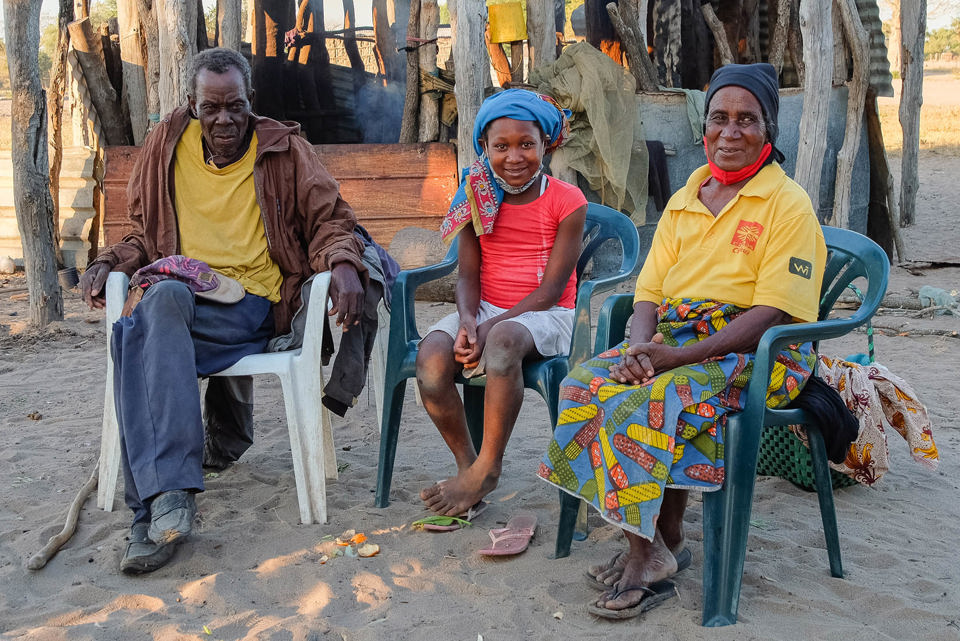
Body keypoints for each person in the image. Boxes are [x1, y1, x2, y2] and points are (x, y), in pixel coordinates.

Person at [537, 63, 828, 619]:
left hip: (763, 352)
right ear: (704, 129)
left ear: (769, 130)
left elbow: (774, 311)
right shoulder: (687, 195)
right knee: (581, 387)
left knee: (645, 405)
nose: (731, 131)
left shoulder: (786, 203)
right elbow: (648, 291)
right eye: (719, 118)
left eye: (747, 119)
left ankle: (645, 556)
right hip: (674, 339)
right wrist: (640, 351)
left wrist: (678, 358)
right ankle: (666, 538)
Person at [79, 48, 368, 574]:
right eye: (211, 109)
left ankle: (151, 511)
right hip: (184, 299)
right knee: (156, 305)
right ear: (192, 105)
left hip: (252, 303)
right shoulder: (166, 145)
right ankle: (169, 500)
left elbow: (331, 219)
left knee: (137, 338)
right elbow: (142, 235)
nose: (224, 120)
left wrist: (344, 263)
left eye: (234, 107)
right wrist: (109, 260)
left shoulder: (284, 149)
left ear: (250, 102)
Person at [418, 89, 587, 517]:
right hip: (489, 309)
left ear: (546, 144)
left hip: (548, 314)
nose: (514, 157)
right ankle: (468, 467)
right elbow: (468, 276)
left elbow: (551, 290)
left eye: (526, 144)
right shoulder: (475, 195)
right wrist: (469, 321)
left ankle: (489, 467)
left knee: (504, 342)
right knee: (432, 361)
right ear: (484, 149)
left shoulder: (567, 201)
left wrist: (491, 328)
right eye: (501, 146)